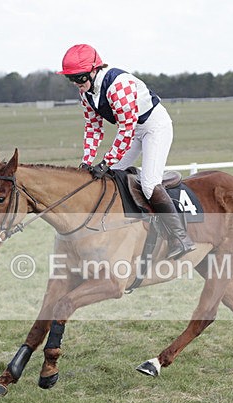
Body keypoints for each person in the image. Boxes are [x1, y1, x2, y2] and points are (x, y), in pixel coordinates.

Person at [58, 43, 195, 259]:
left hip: (153, 127)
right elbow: (93, 128)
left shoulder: (117, 85)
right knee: (110, 178)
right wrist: (86, 162)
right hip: (132, 130)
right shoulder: (86, 94)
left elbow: (126, 129)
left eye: (80, 77)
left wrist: (106, 161)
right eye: (71, 79)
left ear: (94, 70)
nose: (77, 84)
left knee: (149, 185)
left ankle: (180, 238)